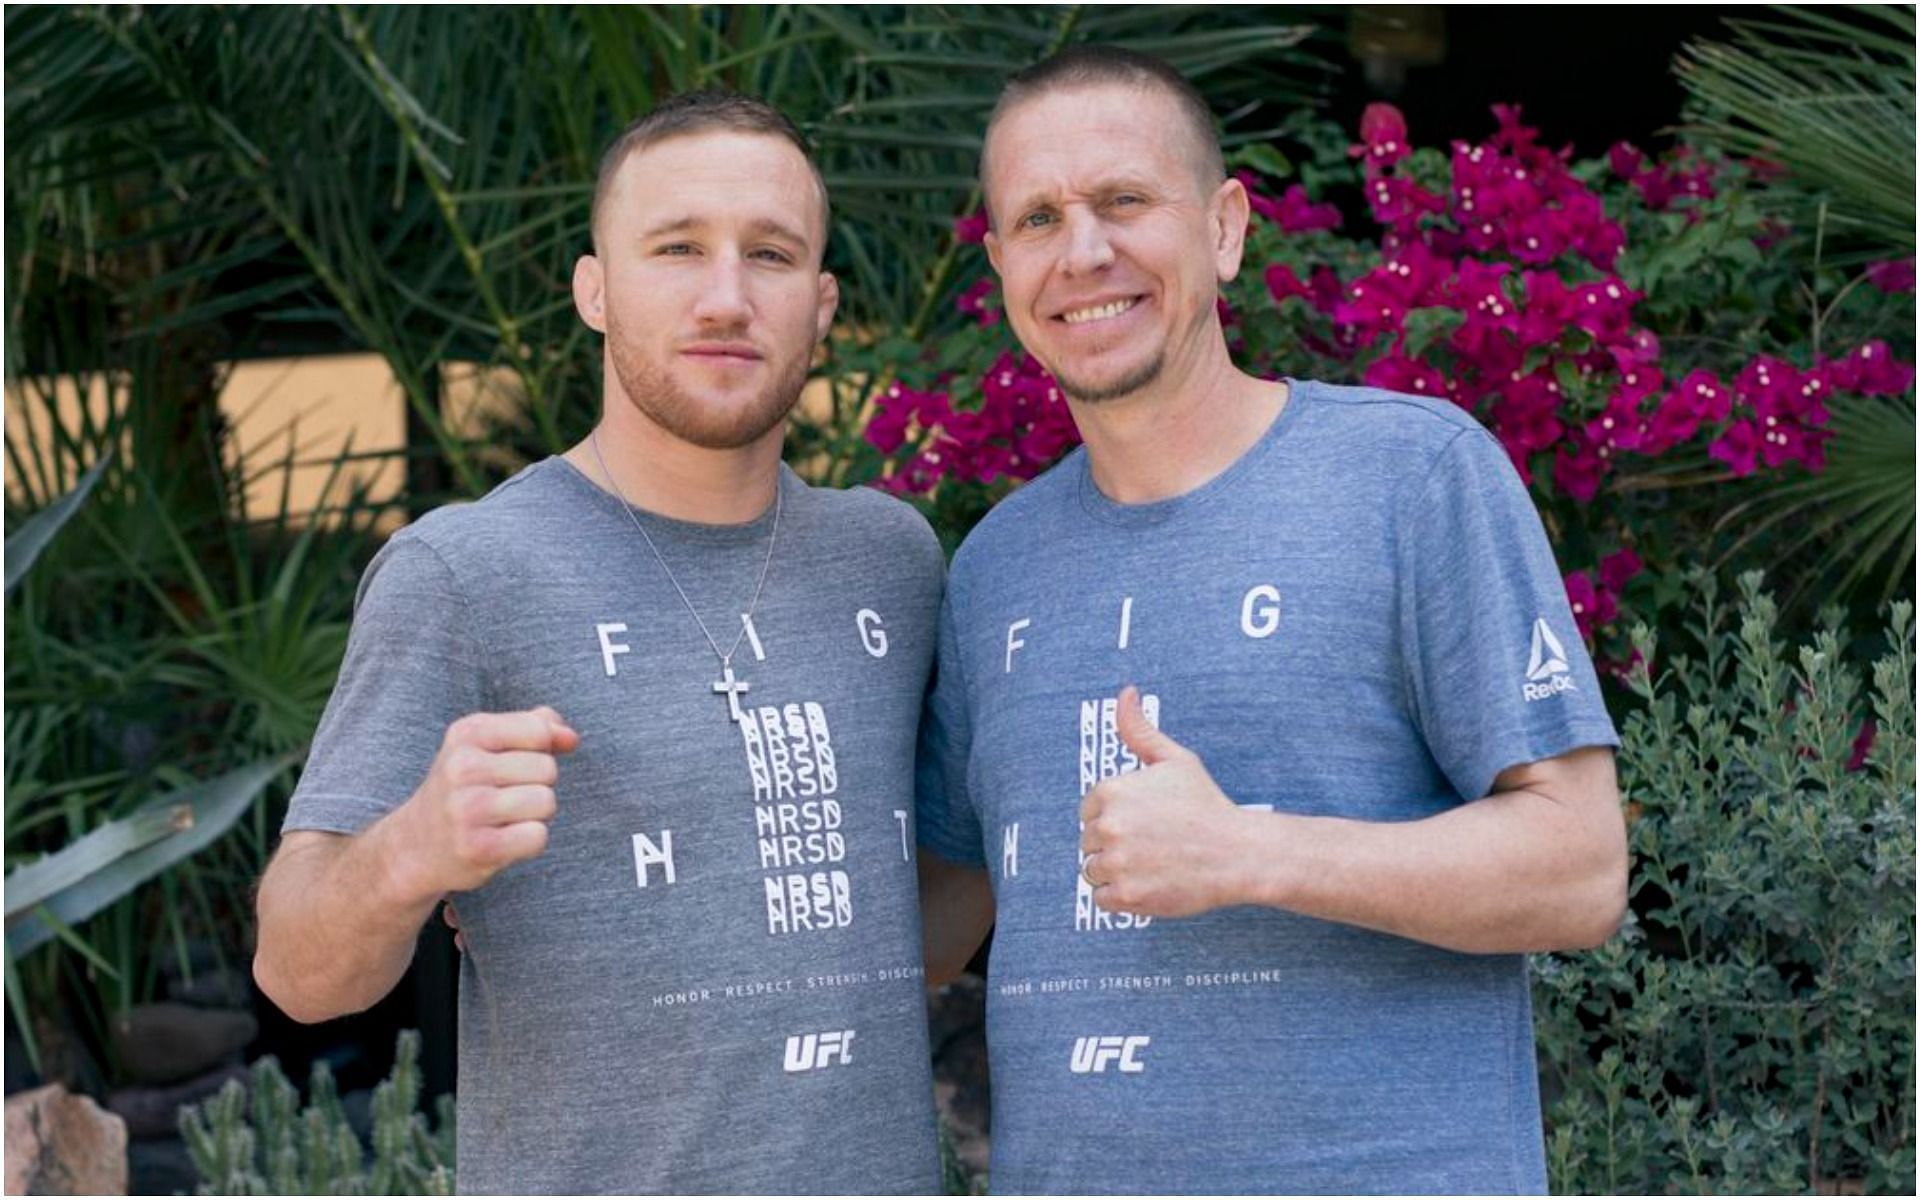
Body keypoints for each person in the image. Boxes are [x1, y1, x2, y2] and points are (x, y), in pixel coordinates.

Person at [914, 47, 1628, 1194]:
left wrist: (1250, 850)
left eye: (1126, 201)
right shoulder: (995, 565)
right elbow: (954, 900)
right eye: (1038, 218)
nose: (1084, 250)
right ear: (1002, 266)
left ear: (1226, 228)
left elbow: (1580, 869)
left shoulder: (1413, 477)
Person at [253, 90, 945, 1195]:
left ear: (821, 305)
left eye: (768, 254)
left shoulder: (892, 562)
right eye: (676, 248)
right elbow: (296, 971)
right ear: (595, 289)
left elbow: (917, 912)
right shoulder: (467, 572)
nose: (726, 296)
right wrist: (411, 850)